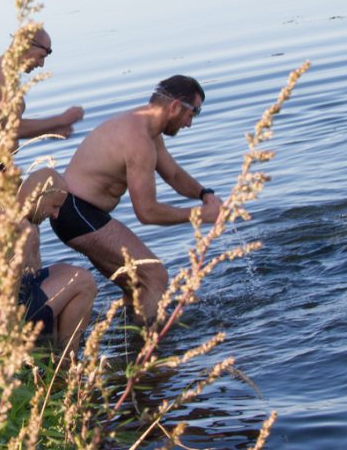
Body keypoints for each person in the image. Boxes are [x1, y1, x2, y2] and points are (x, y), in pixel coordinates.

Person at [56, 75, 222, 327]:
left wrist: (205, 194)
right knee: (155, 275)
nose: (190, 123)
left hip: (81, 212)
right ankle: (148, 348)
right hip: (76, 211)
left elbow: (174, 174)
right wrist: (201, 215)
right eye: (194, 113)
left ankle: (129, 350)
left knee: (138, 286)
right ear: (175, 106)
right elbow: (146, 212)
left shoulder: (147, 128)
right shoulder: (139, 141)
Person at [0, 168, 96, 359]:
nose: (56, 215)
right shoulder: (22, 229)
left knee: (64, 270)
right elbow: (8, 290)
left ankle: (50, 347)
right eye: (54, 206)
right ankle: (66, 365)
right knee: (84, 281)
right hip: (0, 312)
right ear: (39, 196)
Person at [0, 25, 84, 183]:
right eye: (41, 56)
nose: (41, 64)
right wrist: (61, 119)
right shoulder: (0, 76)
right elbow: (14, 128)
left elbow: (6, 129)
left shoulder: (1, 70)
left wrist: (51, 130)